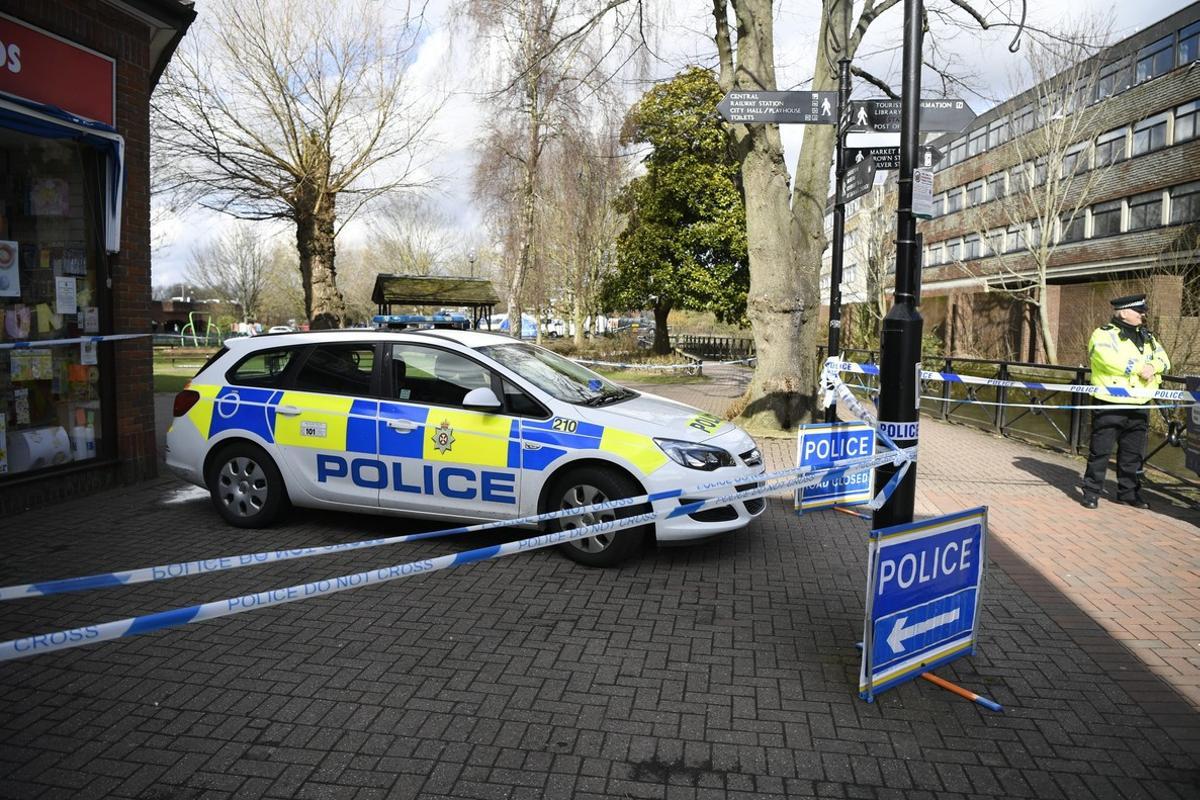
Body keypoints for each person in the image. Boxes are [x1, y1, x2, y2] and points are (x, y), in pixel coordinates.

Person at [1081, 293, 1171, 509]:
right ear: (1123, 312)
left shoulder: (1147, 337)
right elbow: (1108, 359)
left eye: (1143, 311)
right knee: (1100, 451)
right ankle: (1091, 492)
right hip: (1112, 402)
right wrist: (1141, 367)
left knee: (1133, 453)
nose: (1143, 314)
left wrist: (1154, 367)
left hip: (1140, 403)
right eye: (1139, 311)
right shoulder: (1103, 335)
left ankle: (1128, 493)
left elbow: (1164, 359)